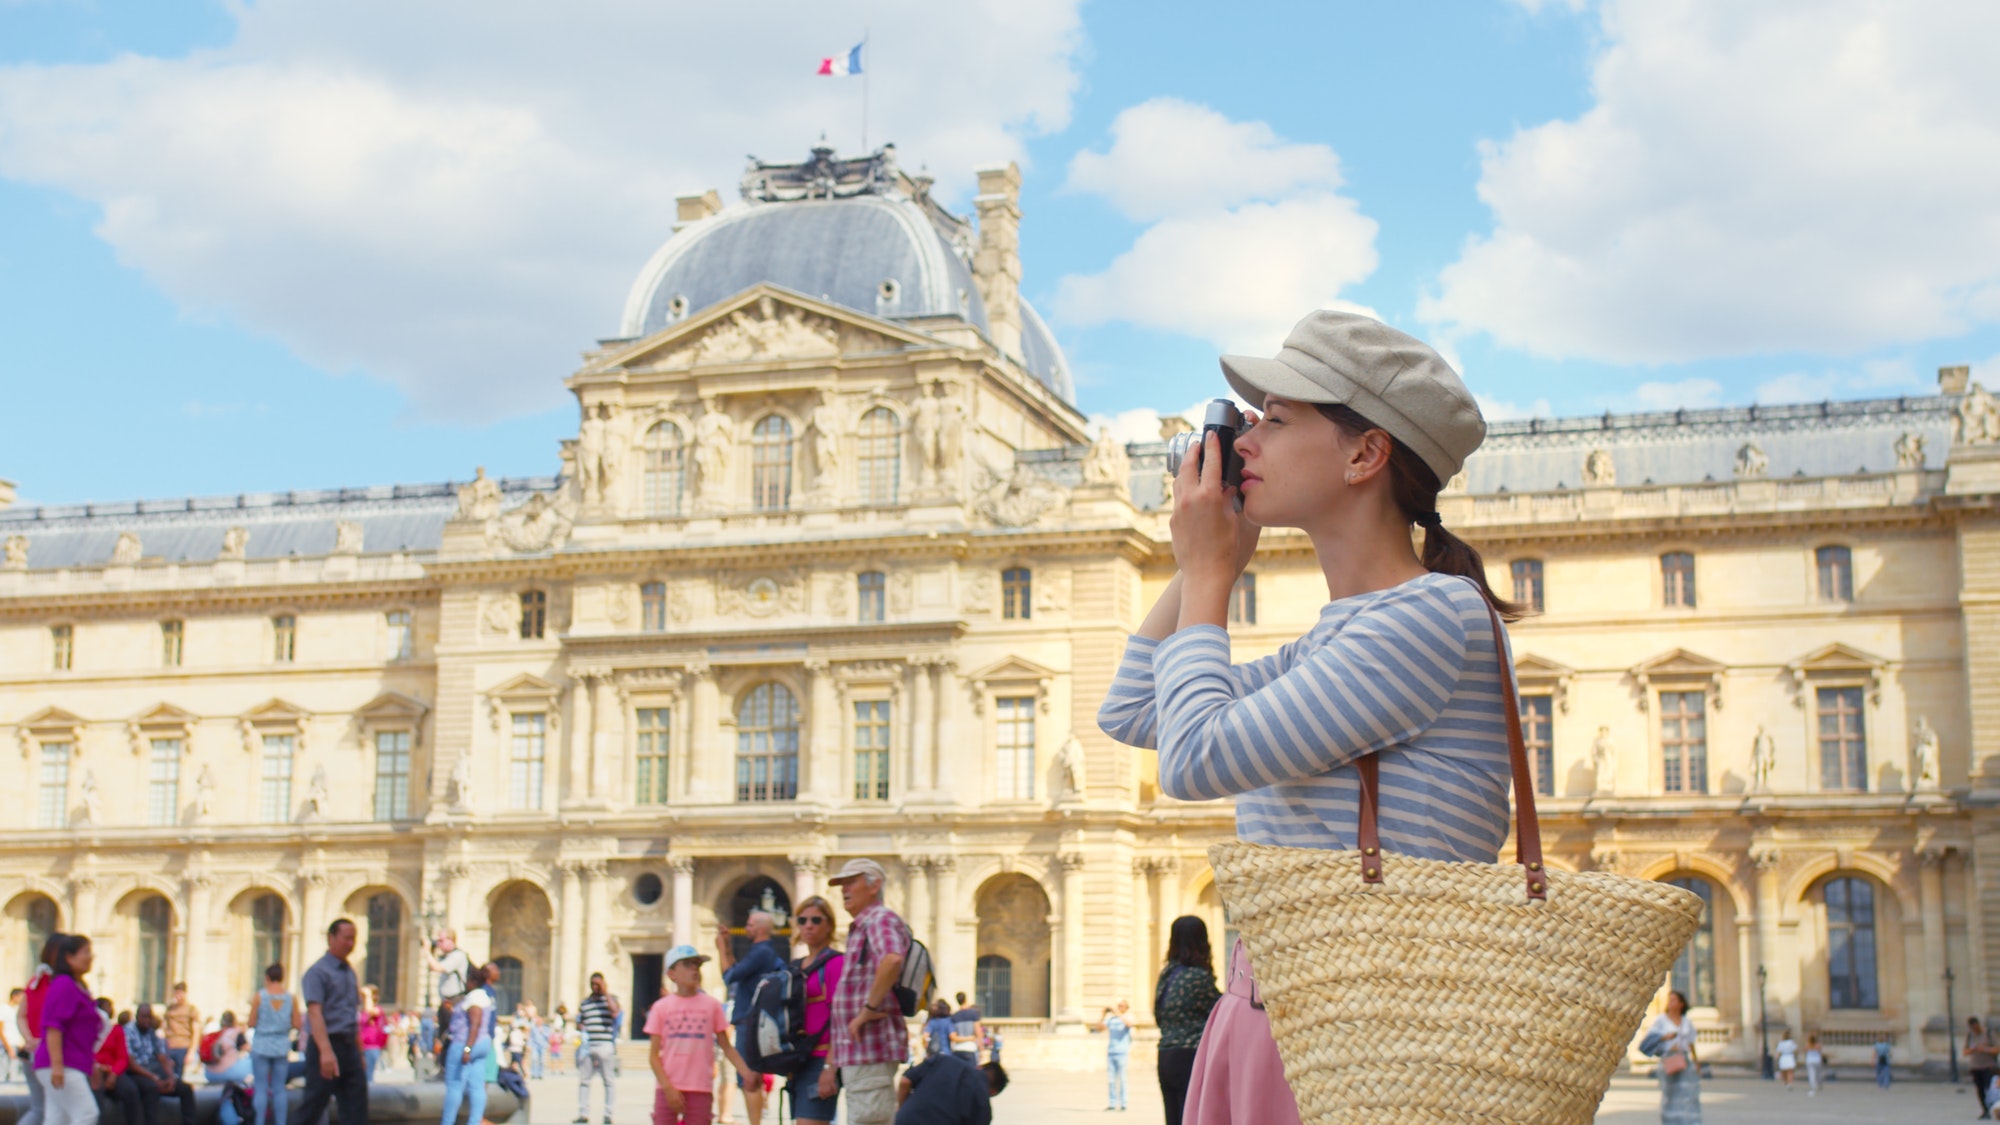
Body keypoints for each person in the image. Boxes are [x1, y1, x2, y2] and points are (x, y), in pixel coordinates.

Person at [1096, 312, 1527, 1125]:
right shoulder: (1336, 641)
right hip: (1280, 1016)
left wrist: (1210, 571)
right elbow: (1130, 711)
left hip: (1363, 1032)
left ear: (1366, 454)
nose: (1246, 439)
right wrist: (1202, 559)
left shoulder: (1431, 616)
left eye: (1278, 418)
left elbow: (1191, 759)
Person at [826, 859, 911, 1125]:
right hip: (861, 1048)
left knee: (869, 1119)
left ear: (874, 886)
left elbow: (892, 959)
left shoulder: (879, 918)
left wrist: (867, 1011)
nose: (844, 890)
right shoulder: (865, 924)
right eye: (842, 884)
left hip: (870, 1045)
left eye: (851, 882)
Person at [644, 944, 757, 1125]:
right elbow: (653, 1056)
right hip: (668, 1087)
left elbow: (726, 1046)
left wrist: (746, 1072)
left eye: (697, 965)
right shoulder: (661, 1007)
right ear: (672, 974)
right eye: (687, 965)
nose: (694, 969)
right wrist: (667, 1087)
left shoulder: (712, 1006)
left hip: (700, 1088)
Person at [718, 909, 789, 1125]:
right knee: (752, 1076)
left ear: (759, 928)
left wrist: (721, 949)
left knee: (749, 1078)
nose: (746, 928)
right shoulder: (766, 953)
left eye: (749, 925)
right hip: (756, 1020)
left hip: (749, 1021)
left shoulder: (760, 952)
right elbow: (738, 971)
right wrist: (729, 946)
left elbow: (729, 976)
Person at [296, 919, 367, 1125]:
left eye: (353, 938)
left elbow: (351, 1015)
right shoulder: (317, 972)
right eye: (346, 938)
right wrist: (326, 1051)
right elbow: (315, 1013)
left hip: (348, 1046)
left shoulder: (350, 972)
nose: (350, 943)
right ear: (331, 938)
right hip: (325, 1044)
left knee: (356, 1107)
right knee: (313, 1105)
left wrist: (359, 1051)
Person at [1151, 918, 1220, 1125]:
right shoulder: (1198, 977)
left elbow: (1158, 1014)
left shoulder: (1167, 974)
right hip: (1190, 1057)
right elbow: (1221, 1015)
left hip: (1166, 1055)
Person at [784, 895, 845, 1125]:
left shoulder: (836, 963)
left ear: (829, 925)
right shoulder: (796, 965)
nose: (808, 925)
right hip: (798, 1060)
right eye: (803, 920)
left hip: (821, 1058)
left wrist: (830, 1067)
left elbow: (839, 1019)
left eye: (816, 920)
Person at [35, 933, 102, 1125]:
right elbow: (54, 1027)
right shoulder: (64, 985)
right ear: (69, 957)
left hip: (66, 1063)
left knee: (57, 1119)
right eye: (86, 952)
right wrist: (57, 1066)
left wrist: (92, 1063)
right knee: (86, 1114)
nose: (90, 957)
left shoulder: (75, 986)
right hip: (63, 1063)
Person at [438, 965, 493, 1125]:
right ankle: (474, 1121)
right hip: (483, 1043)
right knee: (477, 1085)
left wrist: (467, 1049)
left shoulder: (474, 999)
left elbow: (474, 1024)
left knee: (454, 1085)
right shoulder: (484, 997)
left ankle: (447, 1122)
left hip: (465, 1043)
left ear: (471, 981)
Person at [249, 963, 301, 1125]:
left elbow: (251, 1022)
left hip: (261, 1044)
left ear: (267, 978)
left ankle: (259, 1122)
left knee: (261, 1088)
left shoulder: (260, 996)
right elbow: (297, 1024)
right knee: (279, 1089)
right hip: (281, 1045)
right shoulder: (291, 997)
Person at [892, 1053, 1006, 1125]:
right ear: (992, 1092)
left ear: (979, 1067)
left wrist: (902, 1109)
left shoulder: (943, 1060)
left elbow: (905, 1081)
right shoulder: (984, 1107)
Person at [21, 934, 64, 1125]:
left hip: (32, 1051)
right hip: (50, 1055)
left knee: (40, 1109)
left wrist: (29, 1038)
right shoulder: (60, 984)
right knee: (49, 1110)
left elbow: (21, 1015)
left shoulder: (35, 981)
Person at [126, 1005, 194, 1125]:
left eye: (149, 1017)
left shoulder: (152, 1033)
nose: (146, 1020)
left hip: (155, 1070)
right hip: (138, 1072)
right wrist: (154, 1078)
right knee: (152, 1088)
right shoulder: (128, 1031)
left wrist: (171, 1077)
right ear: (136, 1017)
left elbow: (162, 1057)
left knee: (185, 1089)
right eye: (143, 1017)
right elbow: (131, 1063)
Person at [1641, 991, 1700, 1125]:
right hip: (1668, 1059)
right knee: (1670, 1093)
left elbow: (1691, 1042)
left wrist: (1696, 1062)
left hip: (1684, 1059)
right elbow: (1650, 1039)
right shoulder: (1661, 1020)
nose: (1671, 1003)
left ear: (1681, 1004)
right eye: (1670, 1000)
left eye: (1674, 1000)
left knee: (1688, 1093)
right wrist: (1665, 1037)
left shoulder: (1686, 1021)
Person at [574, 972, 622, 1125]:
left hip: (605, 1044)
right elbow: (580, 1020)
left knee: (608, 1080)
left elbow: (615, 1012)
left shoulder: (610, 1000)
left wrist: (605, 992)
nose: (595, 987)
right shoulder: (585, 1003)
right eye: (593, 984)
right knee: (584, 1080)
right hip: (588, 1045)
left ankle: (608, 1114)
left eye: (598, 984)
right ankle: (583, 1113)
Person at [1090, 1000, 1133, 1112]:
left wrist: (1117, 1013)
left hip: (1122, 1052)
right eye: (1118, 1006)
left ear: (1126, 1008)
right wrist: (1103, 1015)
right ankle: (1112, 1104)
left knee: (1122, 1079)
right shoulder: (1111, 1020)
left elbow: (1129, 1024)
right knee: (1111, 1080)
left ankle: (1124, 1103)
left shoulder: (1128, 1017)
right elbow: (1098, 1029)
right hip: (1111, 1052)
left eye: (1121, 1006)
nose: (1119, 1007)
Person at [161, 984, 200, 1086]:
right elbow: (164, 1027)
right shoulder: (170, 1009)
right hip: (169, 1045)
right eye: (176, 993)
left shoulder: (191, 1010)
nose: (178, 996)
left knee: (179, 1077)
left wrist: (191, 1052)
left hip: (183, 1046)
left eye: (180, 994)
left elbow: (196, 1032)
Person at [202, 1012, 252, 1086]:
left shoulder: (216, 1034)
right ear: (234, 1021)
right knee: (254, 1063)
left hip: (209, 1073)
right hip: (227, 1072)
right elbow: (249, 1049)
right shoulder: (236, 1033)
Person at [359, 987, 389, 1080]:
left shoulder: (377, 1009)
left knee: (367, 1078)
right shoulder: (362, 1011)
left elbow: (370, 1011)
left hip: (371, 1047)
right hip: (361, 1047)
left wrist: (367, 995)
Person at [1970, 1019, 1997, 1115]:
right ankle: (1985, 1110)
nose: (1974, 1029)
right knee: (1980, 1089)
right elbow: (1965, 1051)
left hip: (1988, 1066)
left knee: (1989, 1089)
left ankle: (1992, 1107)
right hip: (1975, 1066)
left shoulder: (1988, 1033)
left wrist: (1984, 1049)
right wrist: (1973, 1049)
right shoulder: (1970, 1035)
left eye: (1975, 1027)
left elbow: (1997, 1049)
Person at [946, 994, 980, 1068]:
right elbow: (978, 1032)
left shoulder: (954, 1016)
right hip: (971, 1048)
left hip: (958, 1049)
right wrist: (981, 1047)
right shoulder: (973, 1014)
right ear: (965, 999)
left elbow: (953, 1037)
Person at [529, 1012, 551, 1080]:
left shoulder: (546, 1028)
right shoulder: (533, 1028)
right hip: (535, 1045)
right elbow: (531, 1037)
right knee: (534, 1059)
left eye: (540, 1020)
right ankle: (534, 1073)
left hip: (543, 1046)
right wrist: (529, 1045)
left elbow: (549, 1036)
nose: (538, 1021)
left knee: (542, 1060)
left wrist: (543, 1032)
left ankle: (540, 1074)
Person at [1803, 1032, 1824, 1097]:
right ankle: (1819, 1084)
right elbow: (1820, 1052)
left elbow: (1804, 1051)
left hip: (1810, 1061)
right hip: (1817, 1061)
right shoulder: (1817, 1045)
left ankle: (1813, 1086)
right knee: (1818, 1074)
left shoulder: (1807, 1045)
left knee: (1811, 1074)